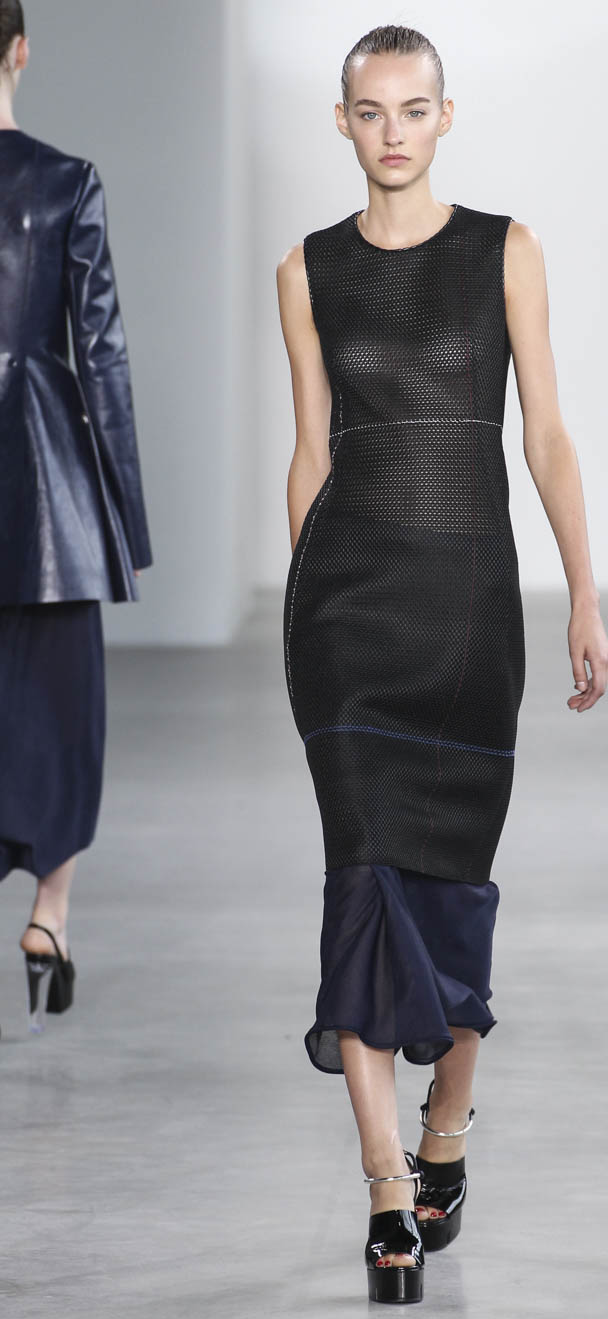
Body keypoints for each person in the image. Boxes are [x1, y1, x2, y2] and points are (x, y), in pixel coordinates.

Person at [276, 24, 608, 1304]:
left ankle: (446, 1129)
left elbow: (548, 437)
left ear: (446, 116)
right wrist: (301, 603)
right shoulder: (306, 270)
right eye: (372, 110)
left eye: (414, 108)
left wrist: (584, 594)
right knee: (362, 877)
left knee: (454, 889)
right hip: (347, 618)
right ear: (344, 122)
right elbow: (312, 450)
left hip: (470, 612)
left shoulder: (504, 251)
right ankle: (385, 1188)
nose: (394, 131)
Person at [0, 2, 153, 1034]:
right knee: (62, 708)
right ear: (19, 50)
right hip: (47, 485)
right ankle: (49, 916)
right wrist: (125, 520)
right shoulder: (65, 182)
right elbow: (101, 358)